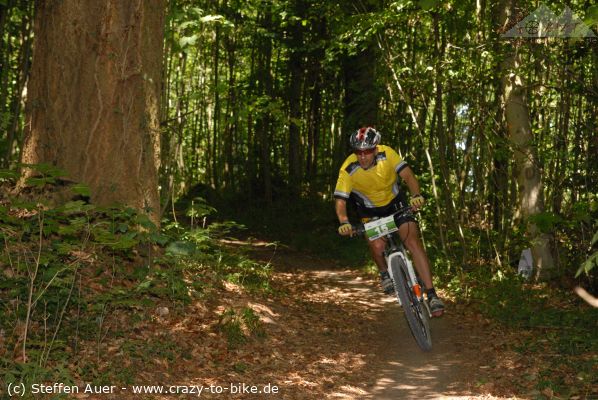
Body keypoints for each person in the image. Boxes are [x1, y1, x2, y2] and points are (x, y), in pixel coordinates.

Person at [334, 126, 445, 316]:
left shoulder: (387, 154)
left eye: (368, 151)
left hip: (395, 204)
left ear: (376, 149)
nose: (363, 156)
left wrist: (416, 195)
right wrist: (344, 222)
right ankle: (384, 272)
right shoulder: (348, 168)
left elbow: (408, 176)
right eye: (358, 152)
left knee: (412, 240)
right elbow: (340, 200)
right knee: (377, 245)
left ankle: (432, 294)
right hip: (369, 210)